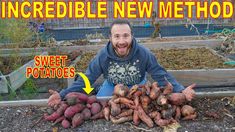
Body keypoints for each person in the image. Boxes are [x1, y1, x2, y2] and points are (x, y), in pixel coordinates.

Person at [48, 19, 195, 107]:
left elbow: (160, 74)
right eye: (117, 36)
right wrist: (62, 95)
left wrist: (181, 90)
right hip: (112, 86)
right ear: (110, 38)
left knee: (147, 105)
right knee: (100, 104)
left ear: (132, 36)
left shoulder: (143, 53)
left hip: (138, 86)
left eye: (126, 36)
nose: (122, 41)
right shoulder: (103, 55)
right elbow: (86, 79)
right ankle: (100, 90)